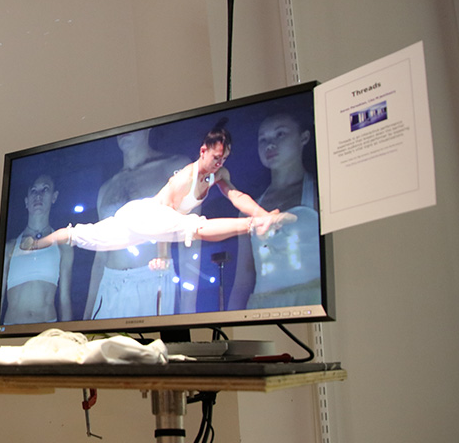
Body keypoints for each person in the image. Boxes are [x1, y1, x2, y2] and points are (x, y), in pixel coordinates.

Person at [22, 118, 294, 255]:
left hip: (142, 226)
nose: (219, 163)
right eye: (215, 158)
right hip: (145, 215)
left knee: (83, 235)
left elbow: (237, 196)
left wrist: (263, 212)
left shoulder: (219, 173)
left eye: (223, 159)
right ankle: (253, 226)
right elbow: (165, 219)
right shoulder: (185, 177)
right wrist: (162, 255)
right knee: (196, 228)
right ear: (203, 151)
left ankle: (37, 244)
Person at [83, 130, 194, 320]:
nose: (123, 131)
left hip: (154, 280)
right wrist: (86, 318)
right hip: (110, 286)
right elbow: (100, 257)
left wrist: (189, 310)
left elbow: (190, 241)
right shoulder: (106, 189)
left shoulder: (174, 168)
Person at [227, 111, 322, 309]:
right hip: (263, 306)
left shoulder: (318, 195)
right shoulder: (248, 209)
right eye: (263, 139)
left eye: (280, 134)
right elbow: (243, 281)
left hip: (312, 301)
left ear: (304, 137)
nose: (270, 144)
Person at [1, 174, 74, 324]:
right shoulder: (10, 248)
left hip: (46, 329)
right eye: (34, 191)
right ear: (26, 201)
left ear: (54, 197)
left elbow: (65, 299)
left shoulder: (62, 246)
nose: (38, 195)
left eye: (45, 189)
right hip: (12, 328)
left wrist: (69, 334)